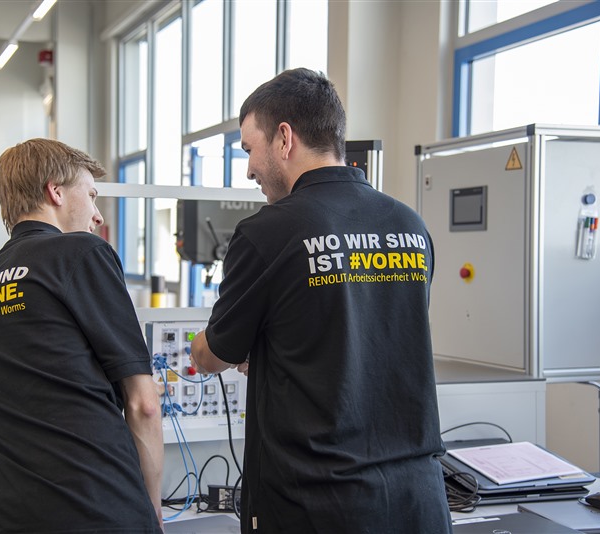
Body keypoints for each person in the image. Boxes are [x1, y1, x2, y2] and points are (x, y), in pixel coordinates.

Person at [189, 69, 452, 533]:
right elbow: (367, 332)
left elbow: (213, 356)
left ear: (284, 138)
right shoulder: (410, 226)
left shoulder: (267, 232)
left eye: (249, 149)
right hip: (419, 501)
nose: (249, 169)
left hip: (317, 502)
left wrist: (203, 347)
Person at [0, 139, 164, 533]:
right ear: (55, 191)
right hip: (92, 509)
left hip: (3, 513)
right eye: (91, 195)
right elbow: (144, 405)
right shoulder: (81, 252)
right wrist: (151, 510)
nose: (97, 216)